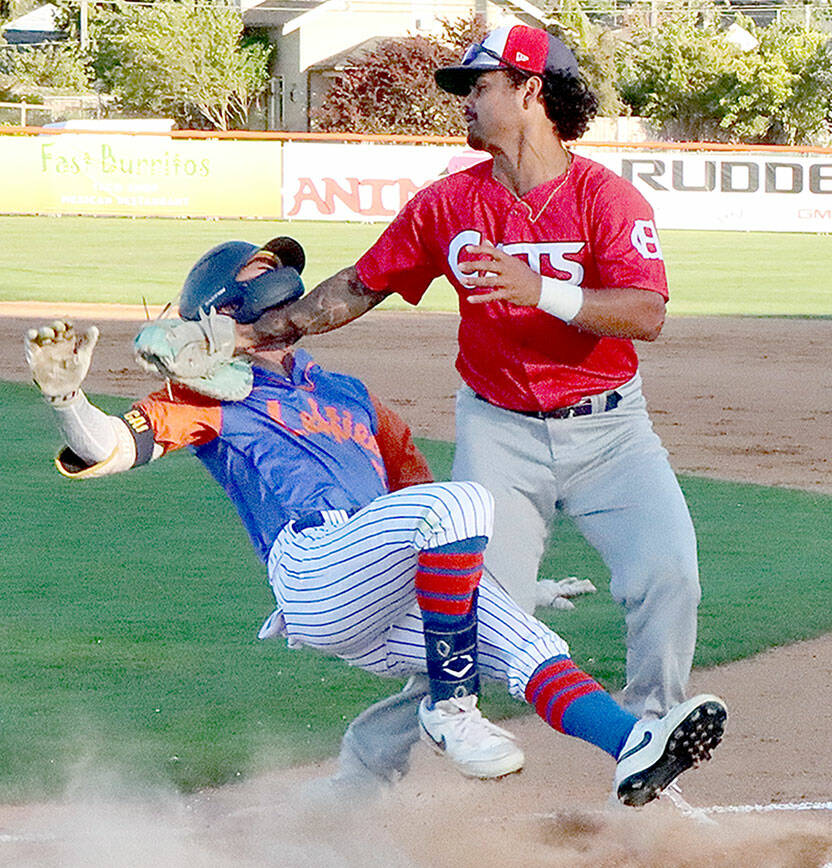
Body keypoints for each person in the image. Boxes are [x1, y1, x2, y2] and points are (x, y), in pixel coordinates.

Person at [22, 238, 725, 807]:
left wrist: (513, 588)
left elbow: (422, 517)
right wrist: (64, 397)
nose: (277, 279)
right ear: (225, 303)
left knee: (526, 639)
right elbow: (109, 449)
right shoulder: (205, 398)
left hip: (382, 587)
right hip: (314, 569)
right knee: (463, 501)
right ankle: (451, 709)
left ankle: (633, 745)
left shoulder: (350, 395)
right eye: (260, 270)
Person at [230, 25, 704, 793]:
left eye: (479, 86)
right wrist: (265, 329)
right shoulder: (449, 203)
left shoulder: (605, 198)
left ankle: (651, 742)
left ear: (530, 89)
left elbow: (645, 314)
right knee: (479, 621)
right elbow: (361, 283)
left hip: (612, 430)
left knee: (669, 577)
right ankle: (365, 770)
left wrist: (538, 289)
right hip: (500, 429)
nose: (465, 103)